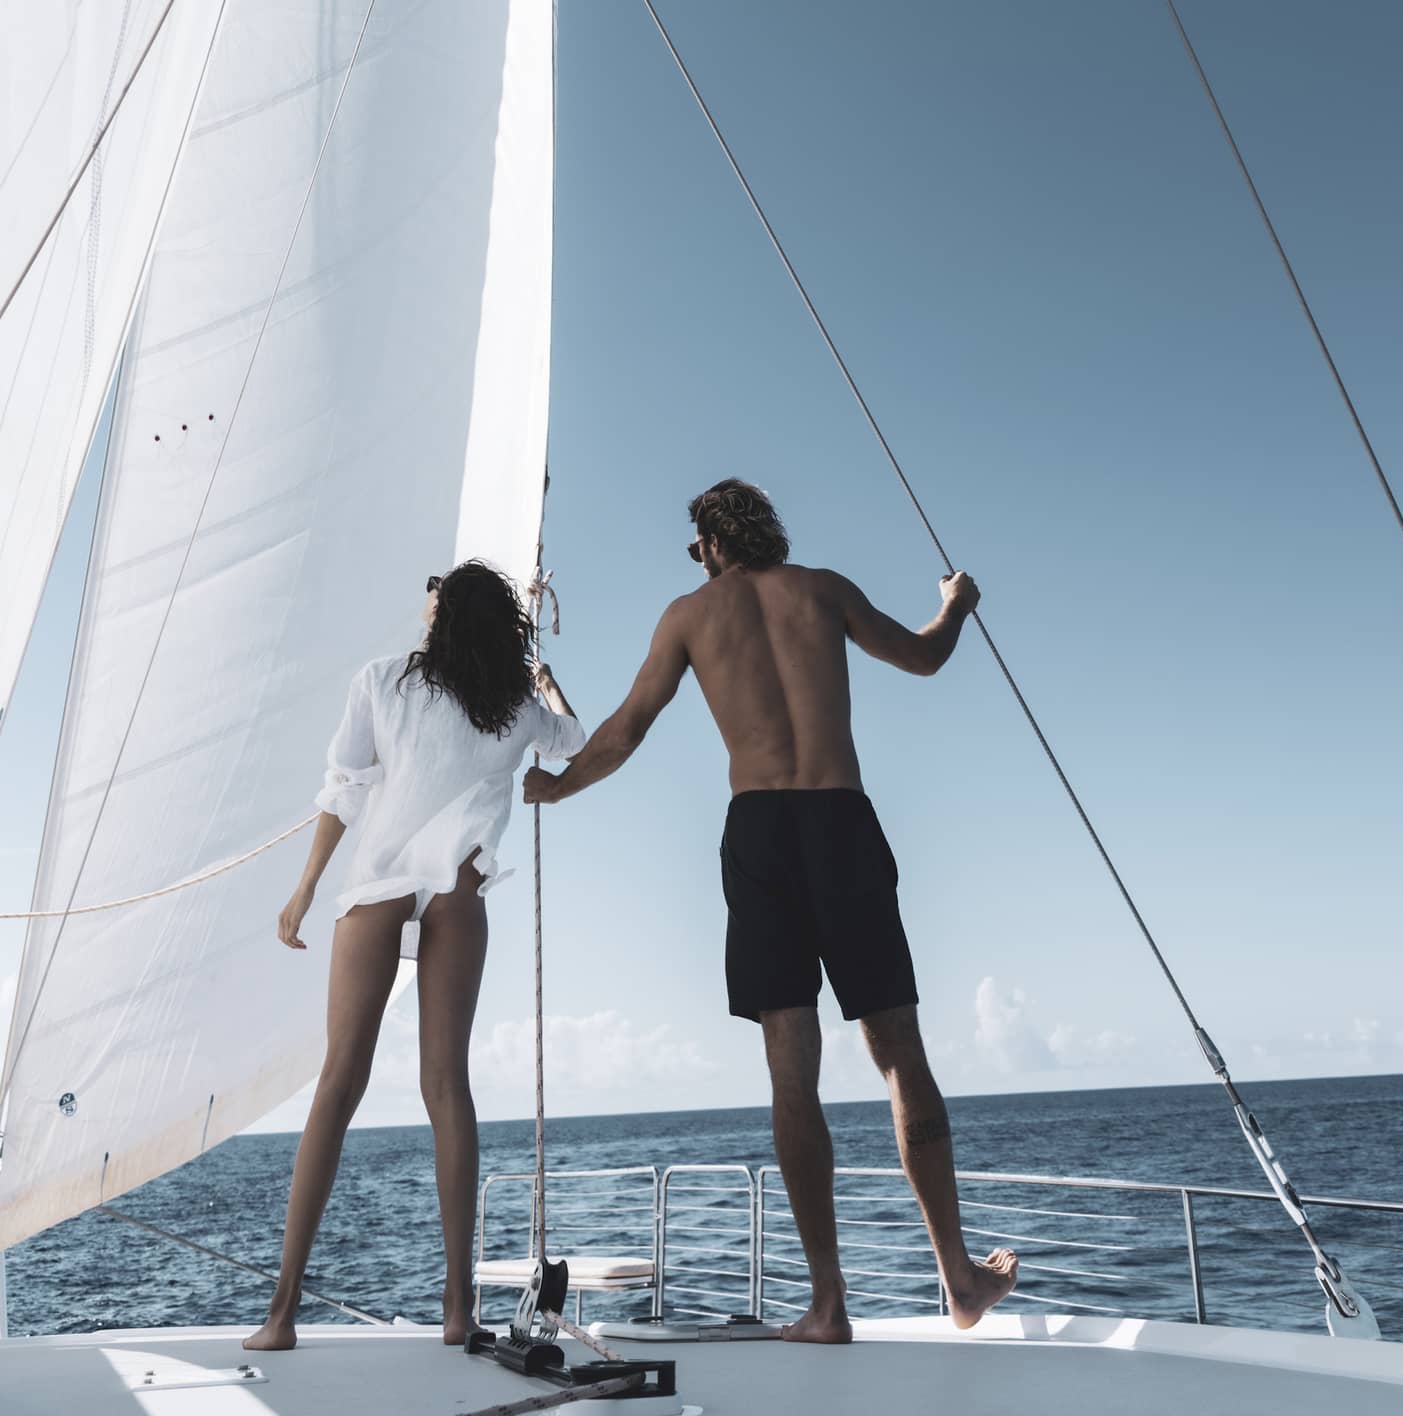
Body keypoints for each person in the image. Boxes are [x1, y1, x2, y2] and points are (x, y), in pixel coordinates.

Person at [524, 480, 1018, 1344]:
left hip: (761, 833)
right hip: (841, 820)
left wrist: (560, 788)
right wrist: (958, 605)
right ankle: (959, 1278)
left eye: (696, 545)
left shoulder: (689, 616)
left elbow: (628, 727)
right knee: (900, 1052)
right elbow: (927, 655)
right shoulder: (823, 590)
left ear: (714, 541)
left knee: (792, 1068)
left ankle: (829, 1305)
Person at [245, 560, 584, 1352]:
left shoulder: (383, 680)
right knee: (446, 1088)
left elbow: (343, 792)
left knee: (338, 1084)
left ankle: (283, 1313)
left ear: (442, 613)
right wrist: (545, 679)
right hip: (458, 892)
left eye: (434, 593)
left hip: (382, 886)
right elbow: (576, 742)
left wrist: (302, 892)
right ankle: (457, 1310)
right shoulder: (515, 706)